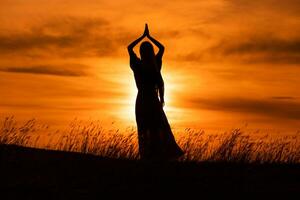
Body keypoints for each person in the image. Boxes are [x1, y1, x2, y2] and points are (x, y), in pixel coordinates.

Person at [127, 24, 184, 160]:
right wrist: (149, 37)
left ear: (141, 52)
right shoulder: (155, 64)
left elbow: (129, 48)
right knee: (158, 127)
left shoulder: (138, 65)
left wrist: (142, 37)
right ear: (151, 51)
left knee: (144, 128)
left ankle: (148, 156)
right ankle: (160, 155)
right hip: (153, 100)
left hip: (142, 100)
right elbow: (162, 48)